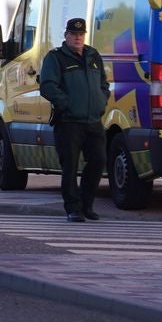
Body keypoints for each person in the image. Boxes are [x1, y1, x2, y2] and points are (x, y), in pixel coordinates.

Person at [39, 18, 110, 222]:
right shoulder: (56, 58)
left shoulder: (93, 55)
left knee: (98, 160)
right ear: (66, 35)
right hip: (69, 121)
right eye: (74, 34)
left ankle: (87, 204)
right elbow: (48, 85)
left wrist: (101, 101)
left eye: (81, 34)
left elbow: (103, 83)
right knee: (70, 165)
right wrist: (66, 104)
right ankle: (73, 208)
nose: (78, 37)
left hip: (93, 120)